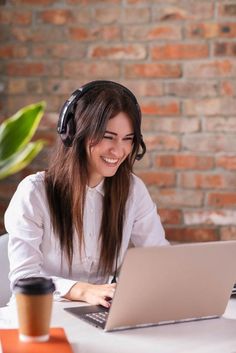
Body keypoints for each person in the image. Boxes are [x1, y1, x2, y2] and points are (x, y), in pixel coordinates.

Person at [5, 80, 169, 308]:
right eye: (108, 137)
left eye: (128, 139)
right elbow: (24, 279)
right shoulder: (35, 192)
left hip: (97, 312)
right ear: (73, 134)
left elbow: (159, 257)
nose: (118, 150)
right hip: (38, 313)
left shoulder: (132, 189)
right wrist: (82, 290)